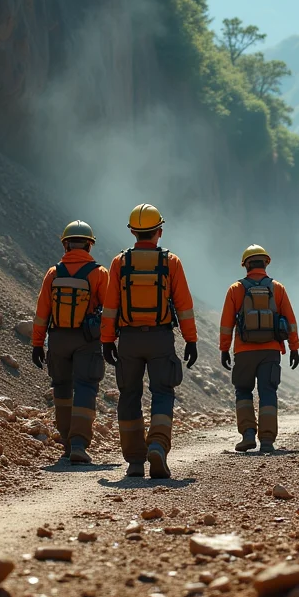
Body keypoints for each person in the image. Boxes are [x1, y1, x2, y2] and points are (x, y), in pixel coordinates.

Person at [100, 204, 199, 479]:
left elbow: (110, 306)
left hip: (129, 340)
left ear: (132, 232)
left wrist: (107, 340)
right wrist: (191, 340)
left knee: (129, 395)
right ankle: (157, 445)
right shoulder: (171, 262)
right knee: (163, 392)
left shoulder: (120, 262)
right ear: (160, 231)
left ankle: (134, 461)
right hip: (161, 338)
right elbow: (184, 306)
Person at [30, 220, 108, 465]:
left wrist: (36, 343)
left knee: (62, 389)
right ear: (89, 245)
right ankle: (78, 444)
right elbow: (110, 311)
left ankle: (66, 444)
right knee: (85, 387)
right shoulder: (99, 273)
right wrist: (110, 340)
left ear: (65, 245)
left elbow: (42, 311)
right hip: (87, 339)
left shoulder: (53, 273)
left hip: (58, 338)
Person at [219, 245, 299, 453]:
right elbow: (290, 321)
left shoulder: (235, 289)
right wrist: (294, 348)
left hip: (244, 352)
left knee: (243, 391)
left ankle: (247, 434)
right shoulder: (278, 288)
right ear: (265, 263)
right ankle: (267, 441)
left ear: (246, 265)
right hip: (271, 351)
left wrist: (224, 349)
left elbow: (227, 323)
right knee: (268, 392)